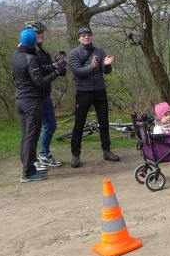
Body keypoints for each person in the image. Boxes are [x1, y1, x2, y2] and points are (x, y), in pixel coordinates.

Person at [11, 28, 61, 182]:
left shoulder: (16, 55)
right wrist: (56, 73)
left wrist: (53, 66)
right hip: (32, 102)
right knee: (31, 138)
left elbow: (16, 75)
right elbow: (40, 82)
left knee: (25, 136)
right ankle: (28, 172)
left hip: (20, 100)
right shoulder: (30, 58)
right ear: (33, 43)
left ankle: (28, 168)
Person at [67, 26, 120, 168]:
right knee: (79, 123)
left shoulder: (99, 51)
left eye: (89, 35)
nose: (86, 37)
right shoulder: (74, 53)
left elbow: (106, 71)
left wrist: (107, 65)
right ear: (79, 38)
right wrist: (92, 66)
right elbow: (77, 72)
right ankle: (75, 155)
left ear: (91, 37)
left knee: (104, 122)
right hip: (83, 92)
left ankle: (107, 151)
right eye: (83, 35)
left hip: (100, 91)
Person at [27, 21, 66, 170]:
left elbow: (46, 69)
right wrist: (55, 70)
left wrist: (57, 65)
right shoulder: (30, 53)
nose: (41, 34)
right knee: (34, 130)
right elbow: (38, 75)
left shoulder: (41, 51)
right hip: (34, 97)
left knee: (50, 126)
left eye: (42, 32)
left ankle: (43, 155)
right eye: (38, 32)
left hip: (45, 95)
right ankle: (32, 160)